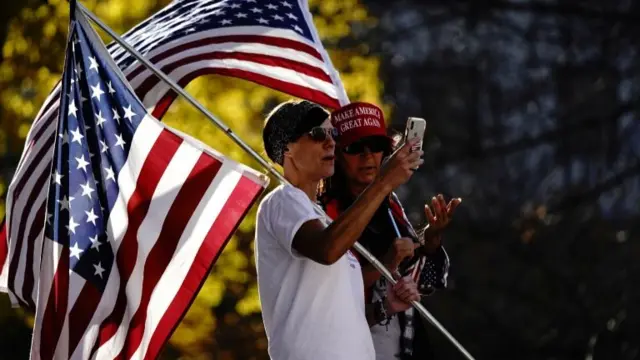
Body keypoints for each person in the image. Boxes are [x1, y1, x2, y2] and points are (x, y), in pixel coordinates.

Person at [255, 99, 425, 360]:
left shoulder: (322, 218)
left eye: (332, 134)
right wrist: (383, 183)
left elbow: (346, 313)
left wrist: (387, 305)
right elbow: (327, 249)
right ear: (287, 147)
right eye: (317, 134)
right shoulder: (283, 200)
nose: (331, 142)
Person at [321, 101, 462, 360]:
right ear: (337, 155)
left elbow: (424, 283)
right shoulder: (325, 213)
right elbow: (327, 293)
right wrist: (385, 263)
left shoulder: (390, 204)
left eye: (375, 147)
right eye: (354, 148)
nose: (367, 156)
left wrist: (431, 238)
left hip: (409, 344)